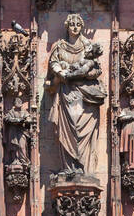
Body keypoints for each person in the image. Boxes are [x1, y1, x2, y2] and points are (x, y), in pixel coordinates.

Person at [45, 13, 107, 175]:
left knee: (82, 131)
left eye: (77, 24)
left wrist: (82, 74)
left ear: (81, 27)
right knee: (67, 132)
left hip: (84, 97)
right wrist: (61, 72)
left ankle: (84, 170)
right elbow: (53, 64)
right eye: (71, 24)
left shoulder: (88, 46)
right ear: (67, 26)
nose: (74, 27)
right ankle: (68, 168)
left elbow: (97, 69)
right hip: (66, 95)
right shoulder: (60, 46)